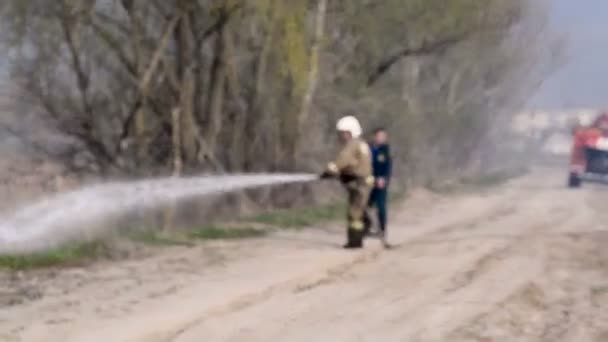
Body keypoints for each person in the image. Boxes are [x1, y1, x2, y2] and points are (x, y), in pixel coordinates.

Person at [320, 116, 374, 249]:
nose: (342, 136)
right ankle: (362, 229)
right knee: (358, 210)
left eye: (343, 133)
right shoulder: (361, 144)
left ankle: (355, 241)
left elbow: (342, 160)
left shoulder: (353, 145)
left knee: (354, 213)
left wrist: (330, 170)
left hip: (359, 183)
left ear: (350, 132)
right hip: (362, 182)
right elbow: (353, 164)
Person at [368, 127, 392, 247]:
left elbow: (387, 167)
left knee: (381, 207)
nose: (381, 138)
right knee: (364, 207)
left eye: (383, 136)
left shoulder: (385, 151)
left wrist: (384, 179)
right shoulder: (368, 149)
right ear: (374, 137)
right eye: (379, 136)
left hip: (380, 183)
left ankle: (383, 233)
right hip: (367, 183)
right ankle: (367, 229)